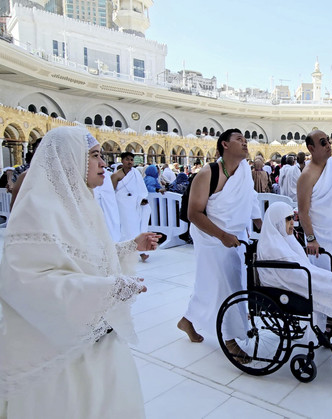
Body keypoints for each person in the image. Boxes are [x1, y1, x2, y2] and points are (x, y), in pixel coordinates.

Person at [0, 126, 160, 418]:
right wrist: (107, 290)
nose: (104, 164)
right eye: (95, 156)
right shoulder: (38, 208)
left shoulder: (82, 203)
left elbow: (83, 256)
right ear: (70, 159)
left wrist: (127, 248)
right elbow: (26, 282)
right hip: (58, 356)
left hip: (97, 341)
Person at [178, 129, 262, 359]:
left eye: (246, 139)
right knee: (227, 287)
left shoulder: (244, 170)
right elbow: (193, 213)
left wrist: (262, 226)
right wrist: (221, 236)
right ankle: (230, 340)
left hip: (236, 237)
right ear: (225, 145)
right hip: (210, 237)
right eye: (239, 139)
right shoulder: (207, 173)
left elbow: (251, 198)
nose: (245, 143)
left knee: (217, 285)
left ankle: (187, 320)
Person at [257, 202, 332, 369]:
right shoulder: (271, 246)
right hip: (289, 288)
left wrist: (320, 279)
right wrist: (319, 281)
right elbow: (290, 275)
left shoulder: (286, 239)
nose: (292, 223)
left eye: (292, 218)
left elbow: (300, 268)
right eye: (288, 219)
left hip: (300, 280)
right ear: (276, 221)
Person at [297, 130, 332, 277]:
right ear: (311, 148)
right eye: (323, 142)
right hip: (321, 239)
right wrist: (311, 239)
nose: (328, 145)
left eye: (328, 140)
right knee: (324, 278)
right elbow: (303, 212)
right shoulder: (307, 176)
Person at [112, 152, 151, 262]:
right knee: (127, 229)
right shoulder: (116, 176)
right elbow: (112, 192)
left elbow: (141, 188)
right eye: (127, 159)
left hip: (135, 204)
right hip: (122, 205)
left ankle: (141, 251)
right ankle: (132, 252)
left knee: (137, 227)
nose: (129, 162)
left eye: (131, 160)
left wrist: (142, 198)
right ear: (122, 161)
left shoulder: (136, 174)